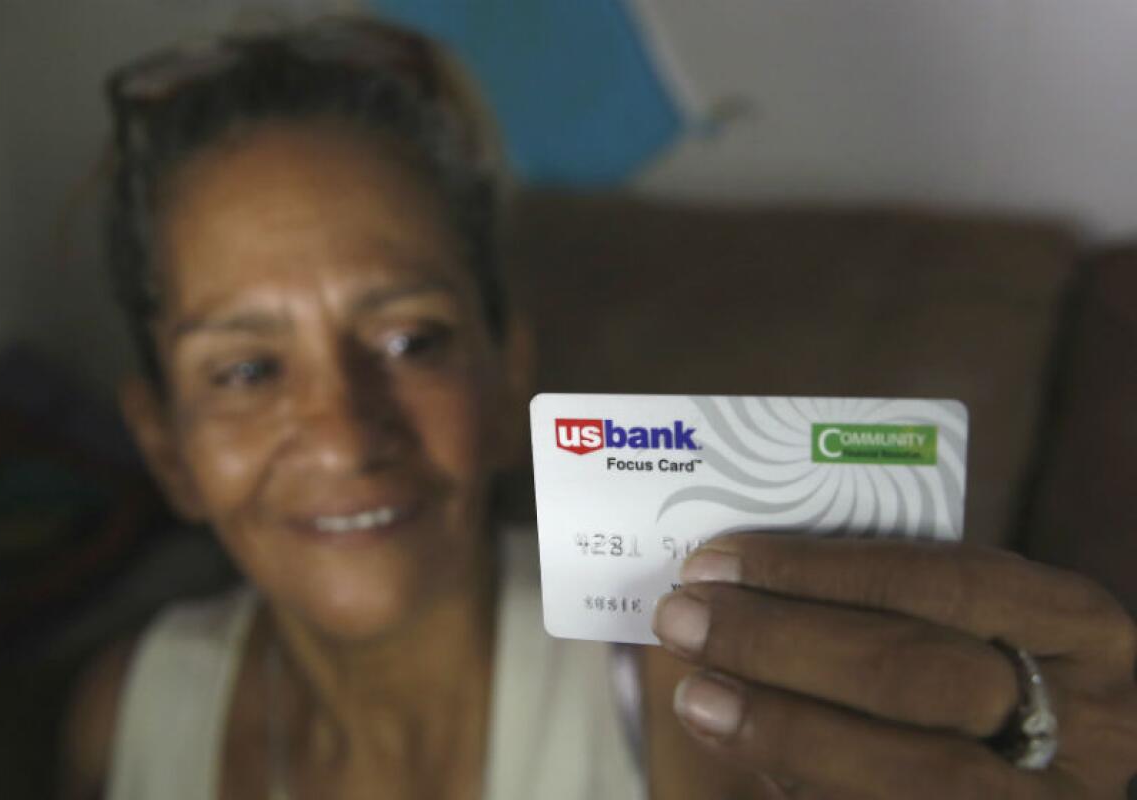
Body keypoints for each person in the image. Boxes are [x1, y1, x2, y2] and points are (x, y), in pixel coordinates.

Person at [62, 16, 1137, 800]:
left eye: (410, 339)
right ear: (167, 447)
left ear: (506, 371)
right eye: (246, 370)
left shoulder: (685, 679)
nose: (345, 433)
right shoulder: (127, 711)